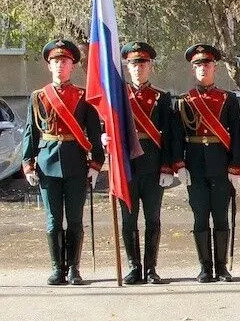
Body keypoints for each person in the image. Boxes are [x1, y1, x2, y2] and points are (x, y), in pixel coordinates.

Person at [22, 39, 104, 286]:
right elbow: (30, 132)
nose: (60, 66)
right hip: (47, 164)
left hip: (76, 163)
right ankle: (58, 268)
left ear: (72, 66)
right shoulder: (39, 97)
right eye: (55, 62)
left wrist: (96, 164)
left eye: (65, 62)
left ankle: (74, 269)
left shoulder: (84, 97)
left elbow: (92, 132)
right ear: (49, 66)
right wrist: (28, 163)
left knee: (75, 219)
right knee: (53, 220)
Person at [173, 44, 240, 283]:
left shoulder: (229, 99)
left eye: (206, 64)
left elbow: (237, 134)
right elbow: (176, 136)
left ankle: (222, 267)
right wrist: (179, 165)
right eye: (198, 65)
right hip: (195, 166)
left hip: (221, 165)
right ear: (193, 70)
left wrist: (236, 166)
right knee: (200, 217)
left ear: (215, 68)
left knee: (221, 217)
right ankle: (205, 267)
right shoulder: (185, 101)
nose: (203, 69)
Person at [119, 42, 175, 284]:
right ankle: (134, 267)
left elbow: (169, 136)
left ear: (150, 66)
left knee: (153, 218)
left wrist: (167, 167)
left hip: (153, 165)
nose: (138, 68)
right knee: (129, 219)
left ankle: (151, 268)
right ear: (127, 67)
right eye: (133, 64)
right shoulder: (118, 96)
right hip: (127, 166)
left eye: (142, 63)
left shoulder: (161, 98)